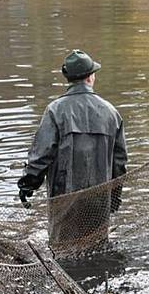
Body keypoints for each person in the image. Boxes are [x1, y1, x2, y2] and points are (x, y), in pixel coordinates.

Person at [18, 49, 127, 252]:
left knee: (63, 252)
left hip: (64, 200)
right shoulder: (112, 113)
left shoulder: (55, 110)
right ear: (90, 77)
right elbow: (119, 164)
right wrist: (114, 198)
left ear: (69, 79)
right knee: (97, 251)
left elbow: (41, 156)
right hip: (99, 201)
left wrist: (28, 185)